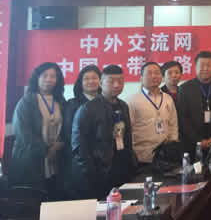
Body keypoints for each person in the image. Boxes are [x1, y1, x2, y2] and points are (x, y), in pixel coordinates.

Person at [72, 65, 134, 199]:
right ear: (101, 83)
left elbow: (127, 137)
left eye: (120, 81)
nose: (116, 85)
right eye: (111, 81)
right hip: (100, 172)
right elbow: (79, 146)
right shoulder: (87, 109)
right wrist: (91, 173)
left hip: (122, 168)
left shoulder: (123, 105)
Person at [10, 62, 66, 197]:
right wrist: (47, 150)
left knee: (53, 198)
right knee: (33, 201)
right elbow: (23, 135)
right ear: (37, 78)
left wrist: (59, 145)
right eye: (44, 75)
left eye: (53, 76)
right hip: (31, 160)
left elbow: (66, 127)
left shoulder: (60, 101)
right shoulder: (26, 102)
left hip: (55, 159)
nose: (49, 79)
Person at [178, 51, 211, 158]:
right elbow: (183, 119)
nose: (205, 68)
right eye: (202, 65)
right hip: (193, 144)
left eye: (209, 65)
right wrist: (198, 140)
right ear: (195, 66)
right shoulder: (184, 88)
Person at [62, 64, 101, 197]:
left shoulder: (105, 102)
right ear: (80, 82)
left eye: (94, 78)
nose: (91, 81)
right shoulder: (72, 104)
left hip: (103, 161)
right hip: (81, 161)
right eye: (86, 79)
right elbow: (69, 134)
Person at [128, 62, 178, 165]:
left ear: (161, 77)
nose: (154, 76)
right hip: (142, 156)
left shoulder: (168, 98)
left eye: (157, 73)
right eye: (149, 73)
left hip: (166, 156)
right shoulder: (132, 101)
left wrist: (172, 146)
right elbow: (129, 130)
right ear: (141, 78)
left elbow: (173, 125)